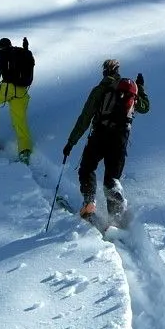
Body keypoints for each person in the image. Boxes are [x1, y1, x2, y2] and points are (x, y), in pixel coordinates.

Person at [62, 59, 149, 222]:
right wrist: (140, 88)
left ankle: (89, 202)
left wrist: (71, 142)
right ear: (118, 71)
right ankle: (116, 217)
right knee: (111, 179)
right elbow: (145, 108)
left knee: (87, 168)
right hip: (120, 139)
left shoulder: (100, 89)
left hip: (100, 135)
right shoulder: (129, 90)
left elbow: (85, 118)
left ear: (104, 72)